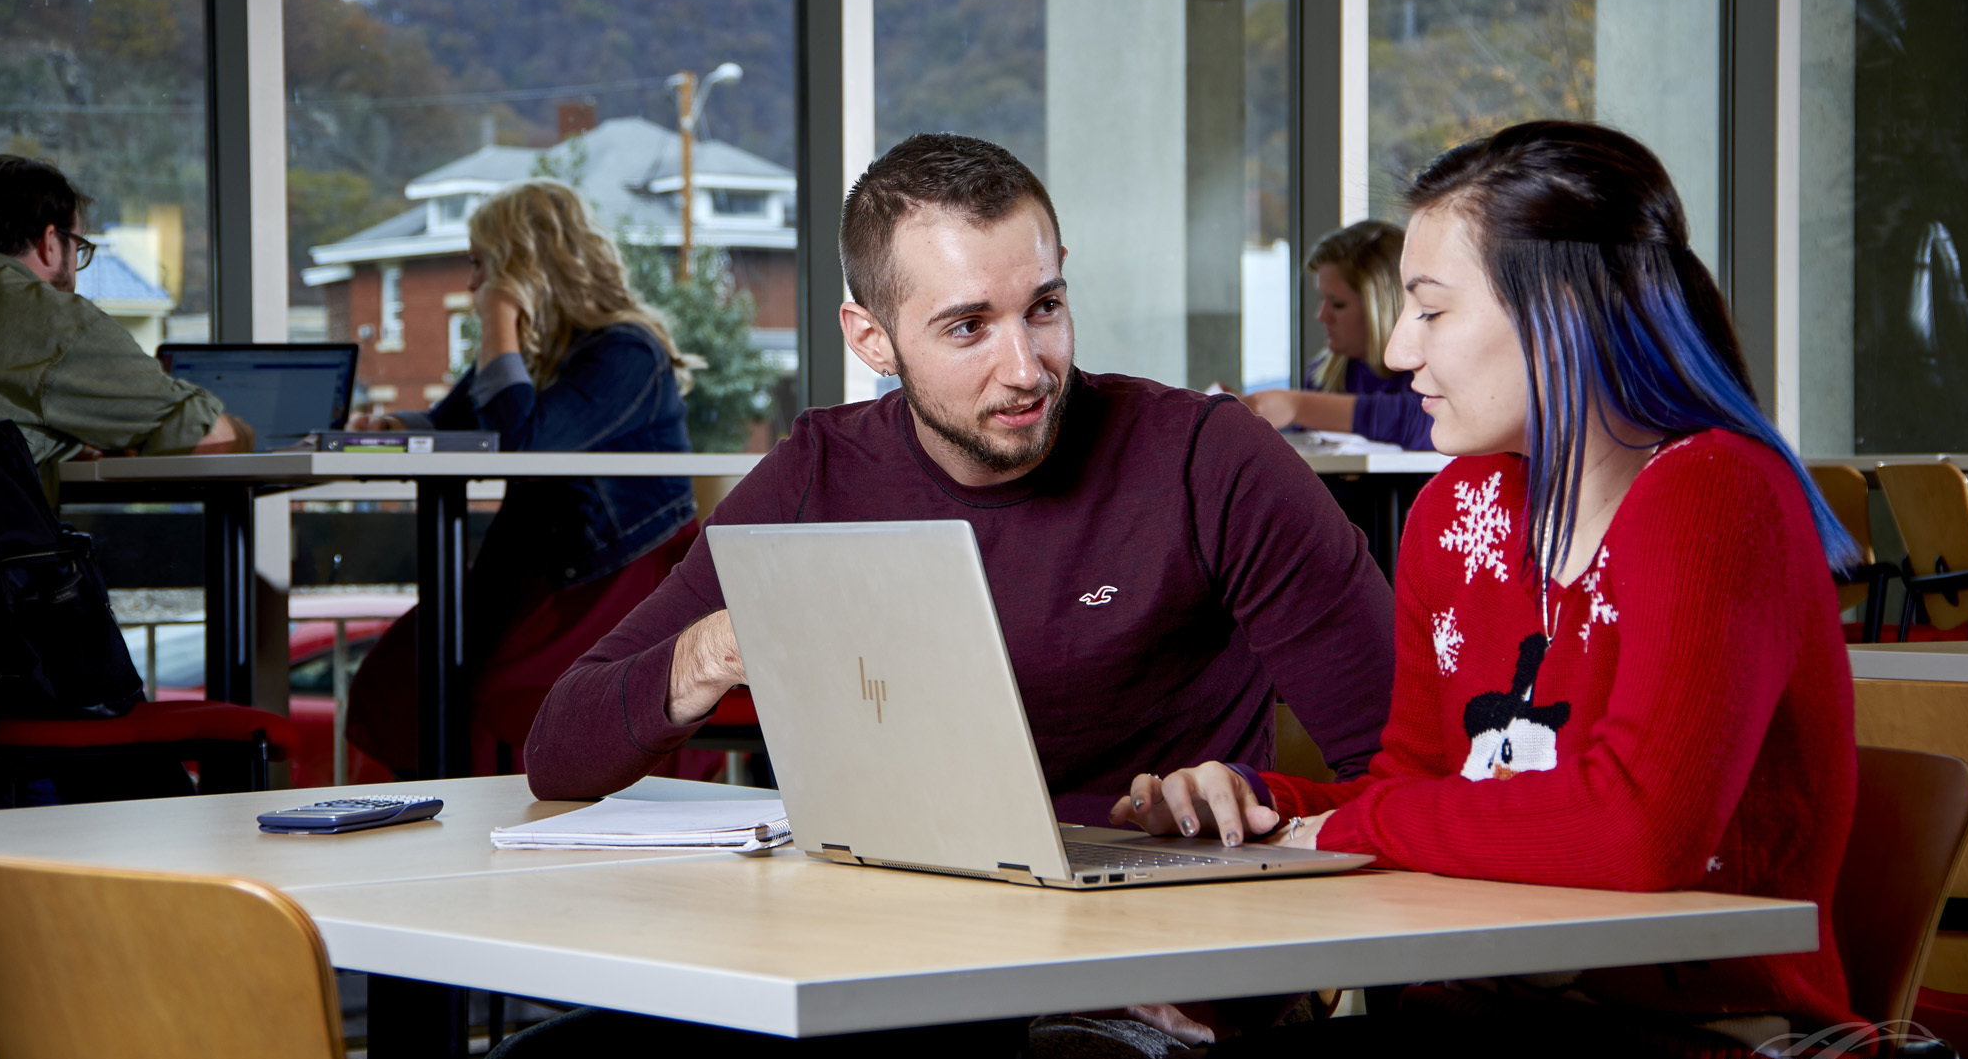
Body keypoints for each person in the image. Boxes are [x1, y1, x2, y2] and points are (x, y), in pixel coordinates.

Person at [1098, 121, 1860, 1059]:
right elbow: (1406, 790)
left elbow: (1636, 830)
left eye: (1429, 309)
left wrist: (1349, 826)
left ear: (1562, 308)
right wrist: (1259, 808)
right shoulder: (1457, 513)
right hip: (1489, 1029)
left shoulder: (1715, 493)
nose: (1399, 349)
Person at [524, 133, 1395, 822]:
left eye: (1044, 308)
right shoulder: (816, 474)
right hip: (894, 949)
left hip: (1144, 957)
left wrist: (1261, 798)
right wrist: (717, 647)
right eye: (969, 327)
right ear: (871, 339)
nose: (1027, 369)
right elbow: (559, 752)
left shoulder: (1211, 458)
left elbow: (1412, 767)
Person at [343, 178, 698, 776]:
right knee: (400, 675)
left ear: (521, 268)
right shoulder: (545, 353)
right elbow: (447, 422)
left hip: (607, 579)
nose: (473, 285)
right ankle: (436, 830)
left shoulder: (627, 351)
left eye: (482, 267)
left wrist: (499, 318)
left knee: (490, 690)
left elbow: (520, 441)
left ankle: (509, 828)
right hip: (537, 567)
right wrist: (386, 424)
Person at [0, 154, 249, 501]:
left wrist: (66, 441)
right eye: (78, 248)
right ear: (49, 243)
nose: (76, 265)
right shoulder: (55, 323)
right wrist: (244, 432)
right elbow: (209, 439)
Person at [1241, 219, 1433, 451]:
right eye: (1322, 299)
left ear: (1381, 309)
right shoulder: (1324, 373)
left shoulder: (1427, 368)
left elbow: (1422, 421)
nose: (1321, 315)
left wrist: (1298, 407)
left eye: (1338, 304)